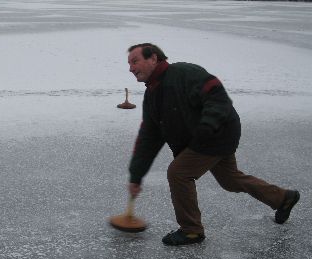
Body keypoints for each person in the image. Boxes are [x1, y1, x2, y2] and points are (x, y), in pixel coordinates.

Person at [126, 43, 300, 246]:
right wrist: (136, 175)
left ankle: (191, 231)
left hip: (217, 133)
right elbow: (149, 136)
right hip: (208, 138)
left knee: (179, 173)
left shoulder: (184, 73)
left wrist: (207, 127)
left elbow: (217, 95)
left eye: (135, 61)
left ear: (153, 58)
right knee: (230, 180)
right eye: (129, 63)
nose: (130, 68)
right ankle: (283, 198)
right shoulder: (152, 95)